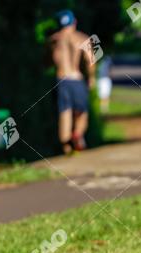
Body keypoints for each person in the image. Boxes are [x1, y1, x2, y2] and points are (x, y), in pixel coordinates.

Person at [48, 10, 95, 154]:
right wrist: (91, 78)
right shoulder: (81, 38)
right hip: (76, 79)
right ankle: (77, 134)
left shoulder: (54, 40)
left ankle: (66, 148)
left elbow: (49, 61)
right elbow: (91, 60)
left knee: (65, 113)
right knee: (82, 112)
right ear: (74, 22)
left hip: (61, 80)